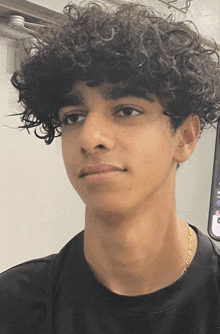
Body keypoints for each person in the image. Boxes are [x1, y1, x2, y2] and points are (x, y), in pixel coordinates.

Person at [1, 1, 220, 333]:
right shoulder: (14, 304)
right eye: (73, 117)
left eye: (126, 110)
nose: (89, 138)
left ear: (185, 138)